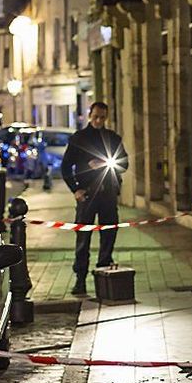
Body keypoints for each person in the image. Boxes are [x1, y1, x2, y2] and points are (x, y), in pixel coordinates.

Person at [61, 102, 129, 296]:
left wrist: (110, 165)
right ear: (90, 115)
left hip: (108, 194)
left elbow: (124, 163)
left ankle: (104, 276)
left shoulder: (112, 138)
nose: (99, 120)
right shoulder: (79, 139)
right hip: (87, 194)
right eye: (96, 116)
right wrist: (76, 189)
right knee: (83, 238)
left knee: (108, 235)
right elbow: (66, 167)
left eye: (102, 117)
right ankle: (80, 279)